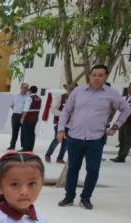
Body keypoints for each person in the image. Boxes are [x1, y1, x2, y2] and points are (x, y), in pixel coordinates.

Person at [57, 65, 131, 209]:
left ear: (105, 76)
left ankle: (85, 198)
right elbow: (66, 110)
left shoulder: (112, 94)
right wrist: (61, 129)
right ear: (90, 76)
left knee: (93, 170)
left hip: (96, 139)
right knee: (73, 168)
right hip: (75, 137)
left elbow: (126, 109)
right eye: (94, 75)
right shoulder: (78, 92)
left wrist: (116, 126)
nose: (97, 77)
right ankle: (69, 197)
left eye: (100, 75)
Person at [44, 84, 74, 163]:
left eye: (74, 89)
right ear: (67, 90)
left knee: (66, 142)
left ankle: (60, 158)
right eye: (70, 89)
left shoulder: (77, 99)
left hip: (70, 124)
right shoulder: (61, 97)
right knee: (57, 139)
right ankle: (48, 155)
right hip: (59, 122)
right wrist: (64, 114)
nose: (72, 91)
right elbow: (53, 110)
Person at [110, 82, 131, 163]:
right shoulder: (125, 98)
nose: (129, 89)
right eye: (129, 87)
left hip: (129, 123)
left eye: (130, 88)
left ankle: (122, 157)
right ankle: (119, 155)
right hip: (122, 122)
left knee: (127, 141)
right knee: (121, 139)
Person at [20, 85, 42, 152]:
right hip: (35, 118)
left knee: (26, 133)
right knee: (32, 133)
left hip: (28, 118)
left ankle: (25, 148)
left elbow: (26, 109)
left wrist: (22, 118)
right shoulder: (39, 98)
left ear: (30, 91)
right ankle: (30, 148)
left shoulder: (29, 98)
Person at [8, 83, 29, 150]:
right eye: (24, 87)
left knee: (24, 133)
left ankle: (24, 147)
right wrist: (15, 109)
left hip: (24, 116)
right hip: (15, 115)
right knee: (14, 132)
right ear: (21, 87)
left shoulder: (28, 98)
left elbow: (27, 108)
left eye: (26, 88)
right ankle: (12, 146)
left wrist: (22, 116)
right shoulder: (15, 96)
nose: (25, 89)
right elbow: (11, 105)